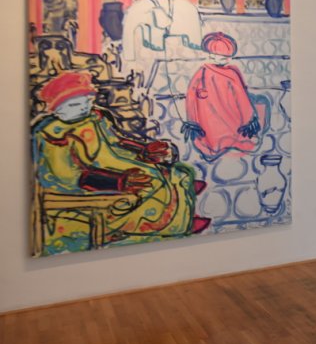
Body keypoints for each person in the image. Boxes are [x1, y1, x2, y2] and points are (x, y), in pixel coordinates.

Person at [32, 70, 209, 254]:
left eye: (88, 101)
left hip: (114, 160)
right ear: (57, 108)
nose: (85, 107)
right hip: (86, 182)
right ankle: (170, 223)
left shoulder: (95, 116)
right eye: (76, 104)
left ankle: (182, 212)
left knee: (174, 170)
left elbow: (117, 140)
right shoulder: (53, 134)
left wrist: (143, 149)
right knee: (151, 181)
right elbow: (68, 177)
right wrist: (117, 182)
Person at [183, 32, 269, 161]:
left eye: (229, 57)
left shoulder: (232, 72)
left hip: (232, 118)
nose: (228, 60)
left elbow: (242, 99)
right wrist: (192, 120)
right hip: (210, 121)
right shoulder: (202, 73)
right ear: (211, 55)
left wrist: (249, 120)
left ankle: (225, 145)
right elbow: (191, 98)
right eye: (223, 57)